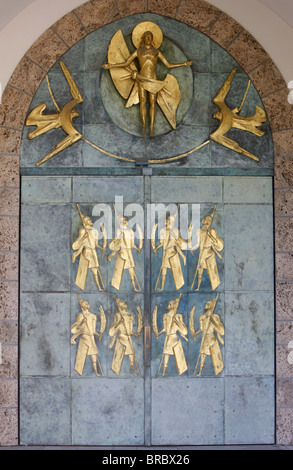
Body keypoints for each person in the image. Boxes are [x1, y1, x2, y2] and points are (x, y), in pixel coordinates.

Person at [102, 24, 192, 136]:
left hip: (153, 79)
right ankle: (144, 126)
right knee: (143, 102)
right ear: (143, 39)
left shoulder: (156, 52)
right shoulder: (138, 51)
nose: (149, 39)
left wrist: (183, 64)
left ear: (153, 39)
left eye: (151, 37)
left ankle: (152, 127)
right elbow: (126, 63)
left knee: (153, 103)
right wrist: (111, 66)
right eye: (147, 37)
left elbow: (168, 64)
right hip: (141, 79)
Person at [191, 207, 224, 291]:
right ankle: (198, 287)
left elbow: (214, 243)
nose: (203, 221)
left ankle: (213, 286)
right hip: (202, 252)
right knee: (200, 271)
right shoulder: (200, 231)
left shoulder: (212, 231)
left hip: (208, 253)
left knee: (211, 271)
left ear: (208, 221)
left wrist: (212, 237)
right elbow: (198, 243)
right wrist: (192, 248)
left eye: (205, 220)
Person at [71, 298, 105, 376]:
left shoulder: (93, 316)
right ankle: (80, 371)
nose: (88, 305)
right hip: (84, 338)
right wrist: (82, 322)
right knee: (81, 359)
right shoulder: (80, 315)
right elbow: (75, 328)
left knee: (94, 357)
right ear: (83, 306)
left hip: (91, 338)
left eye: (88, 304)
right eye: (86, 304)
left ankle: (96, 372)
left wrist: (98, 334)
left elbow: (93, 330)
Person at [108, 214, 143, 292]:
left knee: (131, 271)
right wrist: (112, 254)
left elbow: (131, 244)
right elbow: (117, 244)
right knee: (118, 272)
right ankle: (115, 289)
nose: (124, 222)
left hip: (129, 253)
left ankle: (134, 287)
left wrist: (137, 248)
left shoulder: (130, 231)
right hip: (123, 253)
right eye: (122, 220)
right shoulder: (119, 230)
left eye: (125, 220)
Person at [72, 211, 105, 291]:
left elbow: (96, 244)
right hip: (86, 251)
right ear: (86, 222)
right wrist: (84, 237)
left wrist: (101, 247)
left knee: (95, 271)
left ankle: (99, 287)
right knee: (84, 270)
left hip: (93, 252)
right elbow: (79, 243)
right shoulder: (83, 231)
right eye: (89, 220)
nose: (91, 221)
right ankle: (81, 286)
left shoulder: (95, 231)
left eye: (91, 220)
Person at [155, 297, 188, 376]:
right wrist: (158, 333)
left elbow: (182, 330)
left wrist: (176, 320)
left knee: (177, 354)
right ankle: (163, 372)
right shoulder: (165, 316)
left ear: (173, 305)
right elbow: (165, 328)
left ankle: (179, 371)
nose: (168, 305)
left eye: (170, 304)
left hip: (174, 337)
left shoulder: (178, 316)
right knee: (166, 354)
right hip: (168, 337)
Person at [193, 296, 225, 376]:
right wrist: (196, 333)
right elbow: (202, 329)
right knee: (202, 355)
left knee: (213, 355)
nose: (205, 305)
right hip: (205, 338)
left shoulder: (215, 316)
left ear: (210, 306)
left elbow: (220, 330)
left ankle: (216, 370)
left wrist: (212, 319)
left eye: (207, 304)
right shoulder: (202, 317)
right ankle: (200, 372)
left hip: (211, 338)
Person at [109, 298, 141, 376]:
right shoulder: (118, 315)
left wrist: (134, 334)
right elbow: (113, 328)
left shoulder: (129, 315)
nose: (124, 304)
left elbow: (129, 330)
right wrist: (119, 321)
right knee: (118, 356)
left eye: (124, 303)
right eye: (122, 303)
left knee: (131, 356)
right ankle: (116, 371)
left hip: (127, 338)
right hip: (121, 337)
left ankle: (133, 370)